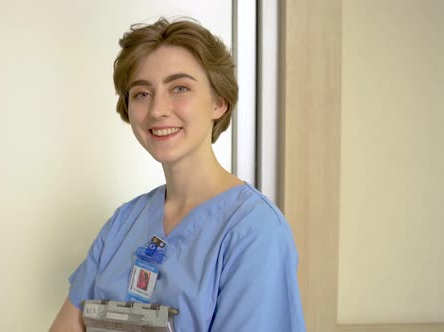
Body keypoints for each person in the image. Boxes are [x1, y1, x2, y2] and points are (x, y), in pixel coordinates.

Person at [49, 17, 305, 332]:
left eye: (179, 88)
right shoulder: (123, 223)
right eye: (142, 93)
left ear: (219, 103)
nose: (157, 109)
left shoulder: (254, 232)